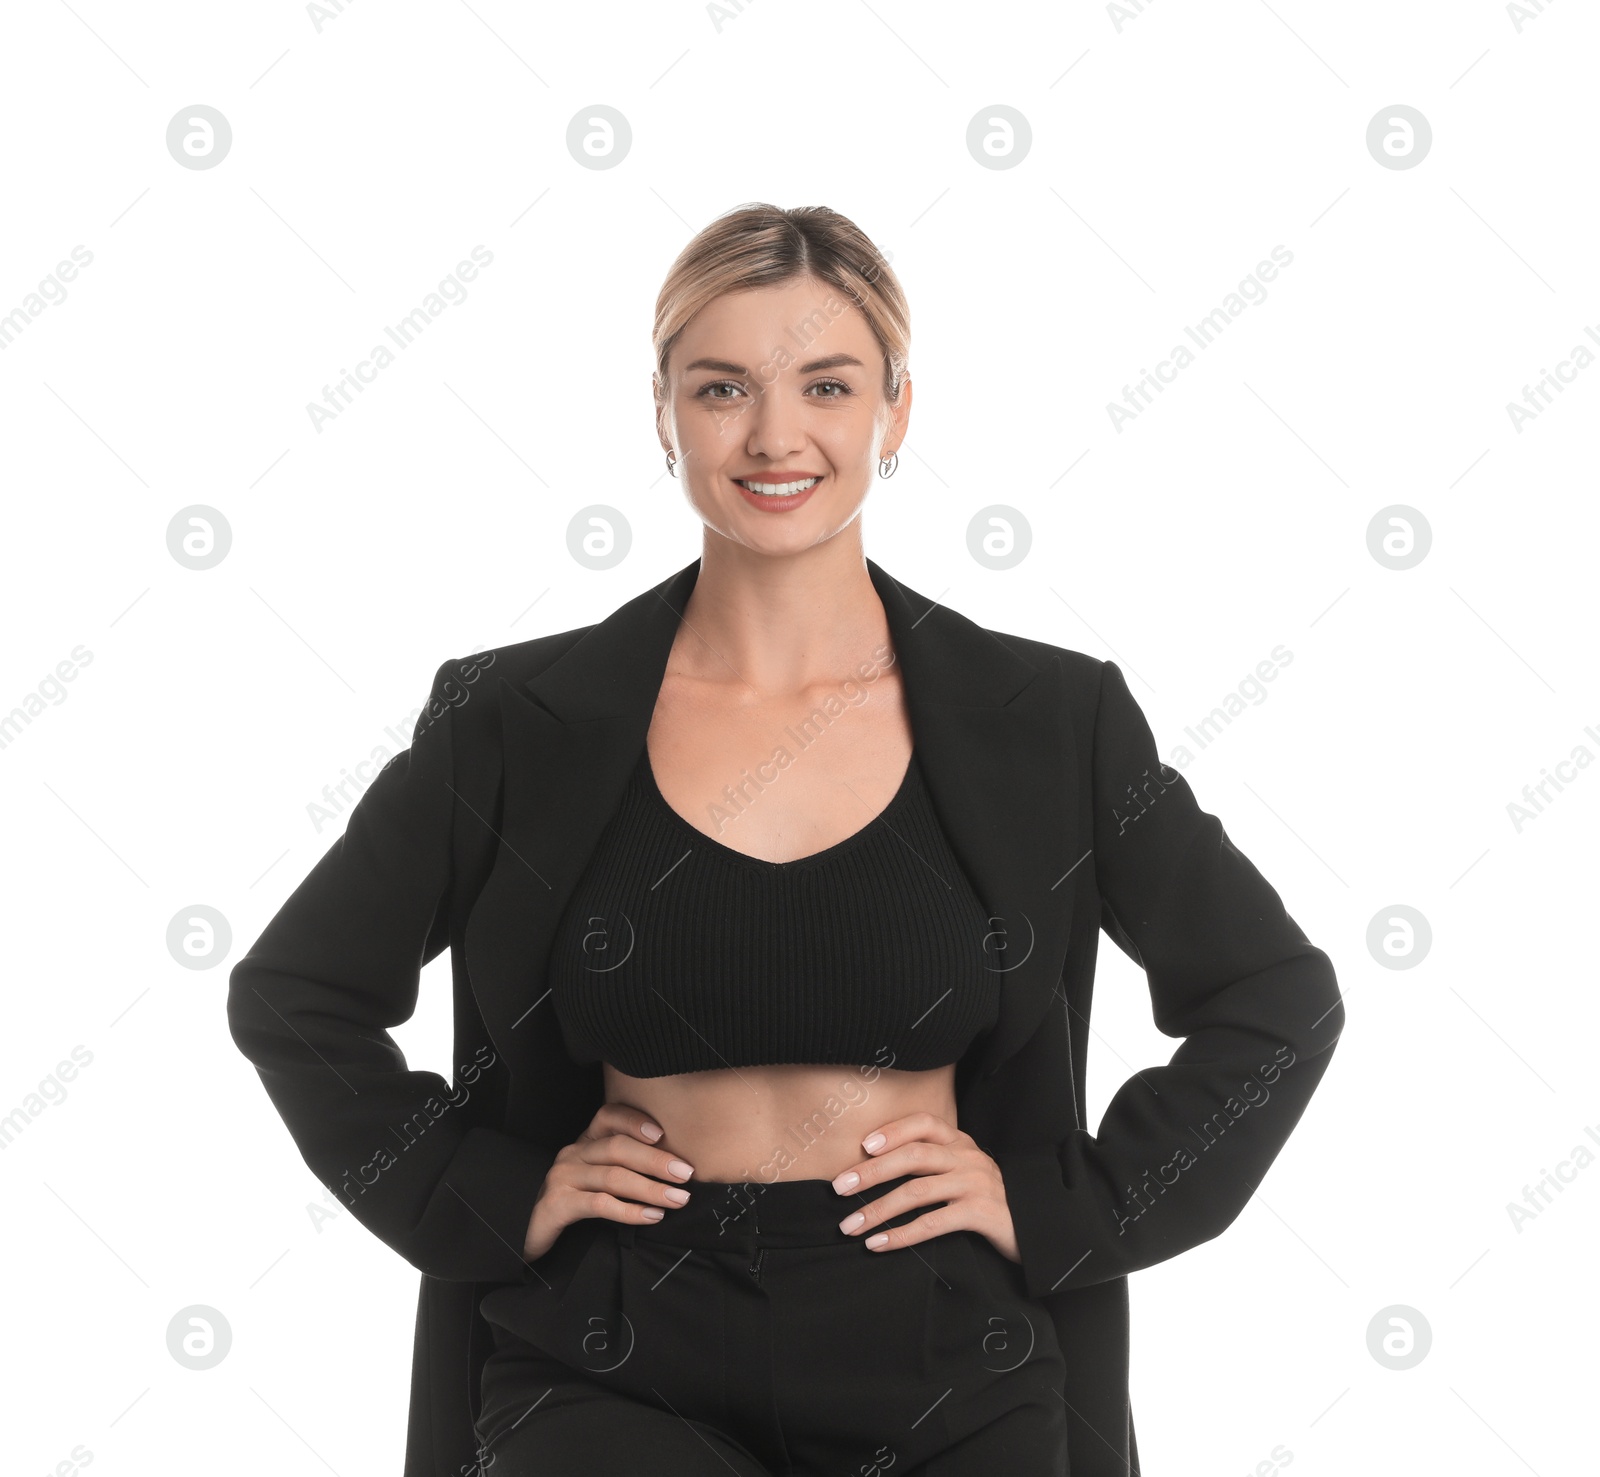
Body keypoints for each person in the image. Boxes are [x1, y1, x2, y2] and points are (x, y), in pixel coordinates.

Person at [227, 203, 1345, 1477]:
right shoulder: (509, 724)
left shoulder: (1049, 719)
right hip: (612, 1350)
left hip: (945, 1350)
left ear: (897, 411)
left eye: (827, 384)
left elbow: (1276, 1000)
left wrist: (1061, 1206)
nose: (774, 435)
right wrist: (485, 1193)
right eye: (721, 388)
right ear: (662, 414)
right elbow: (298, 994)